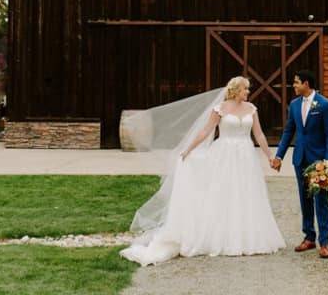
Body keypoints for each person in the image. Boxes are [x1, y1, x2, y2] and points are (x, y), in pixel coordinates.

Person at [120, 76, 285, 266]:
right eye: (245, 89)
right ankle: (220, 236)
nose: (248, 92)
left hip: (246, 156)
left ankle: (247, 236)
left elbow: (259, 134)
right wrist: (189, 149)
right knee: (222, 193)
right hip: (224, 155)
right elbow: (206, 131)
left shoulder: (251, 109)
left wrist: (269, 156)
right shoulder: (220, 109)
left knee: (246, 193)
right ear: (236, 90)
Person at [271, 70, 328, 259]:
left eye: (296, 82)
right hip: (300, 159)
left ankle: (324, 243)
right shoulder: (293, 105)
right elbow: (288, 131)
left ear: (306, 84)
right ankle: (309, 237)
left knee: (321, 201)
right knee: (305, 199)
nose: (294, 86)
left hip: (318, 160)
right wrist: (279, 156)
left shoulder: (324, 105)